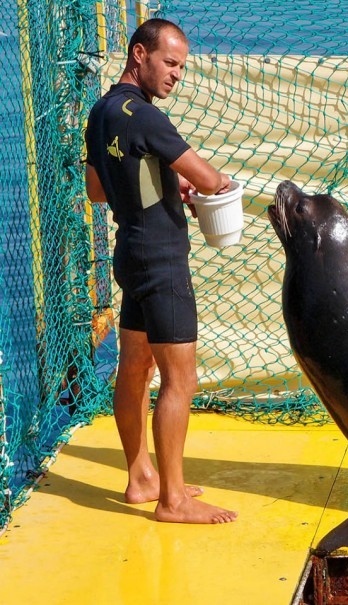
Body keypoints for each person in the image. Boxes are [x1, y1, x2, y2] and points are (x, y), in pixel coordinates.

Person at [84, 18, 237, 524]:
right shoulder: (147, 117)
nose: (176, 76)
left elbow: (98, 189)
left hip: (130, 250)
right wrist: (210, 184)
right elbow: (211, 178)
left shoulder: (103, 112)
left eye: (181, 68)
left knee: (135, 367)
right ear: (139, 54)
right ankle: (172, 499)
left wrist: (163, 184)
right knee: (180, 378)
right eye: (170, 64)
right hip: (163, 260)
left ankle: (141, 477)